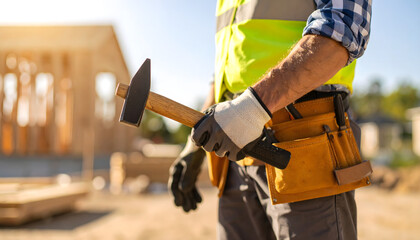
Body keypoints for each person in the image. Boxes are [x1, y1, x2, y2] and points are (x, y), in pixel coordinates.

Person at [169, 0, 372, 239]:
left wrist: (251, 108)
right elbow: (225, 70)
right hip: (235, 155)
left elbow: (343, 29)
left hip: (304, 142)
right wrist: (195, 144)